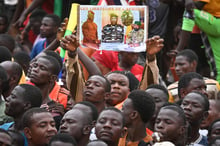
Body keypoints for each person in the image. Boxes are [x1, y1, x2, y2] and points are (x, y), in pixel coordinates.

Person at [29, 55, 65, 128]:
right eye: (35, 66)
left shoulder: (54, 110)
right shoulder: (22, 97)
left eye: (42, 68)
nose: (35, 70)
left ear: (52, 78)